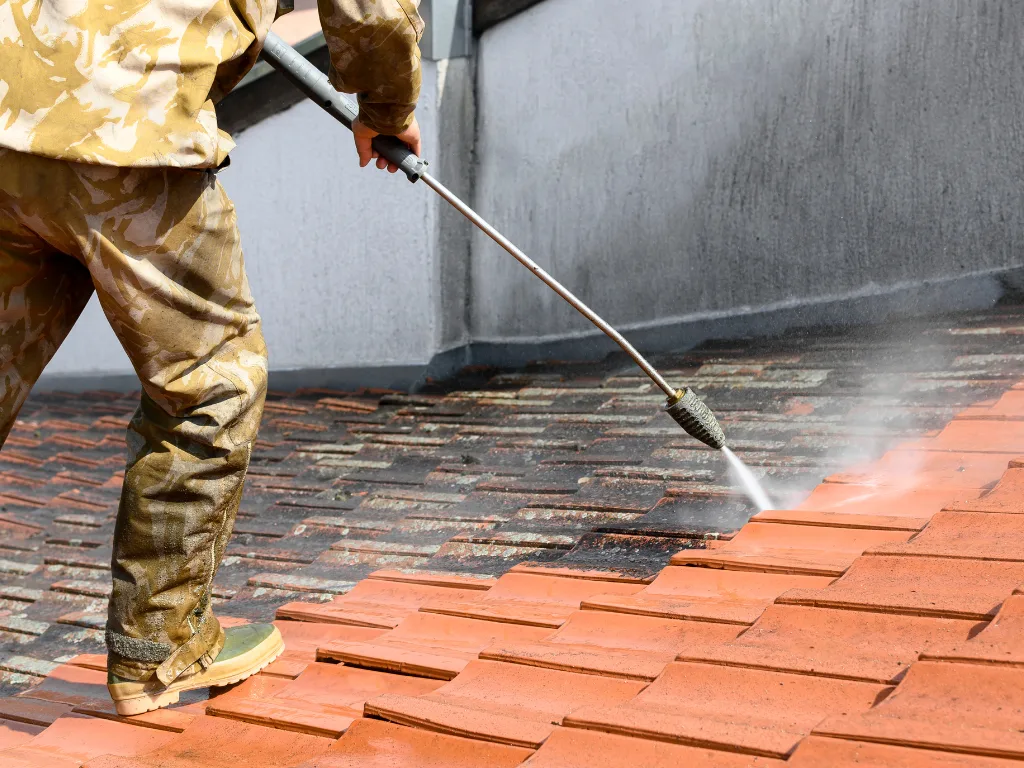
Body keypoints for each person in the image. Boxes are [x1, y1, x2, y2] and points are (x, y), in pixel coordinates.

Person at [0, 0, 423, 716]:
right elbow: (373, 11)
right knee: (208, 386)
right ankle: (158, 648)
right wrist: (386, 107)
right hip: (125, 133)